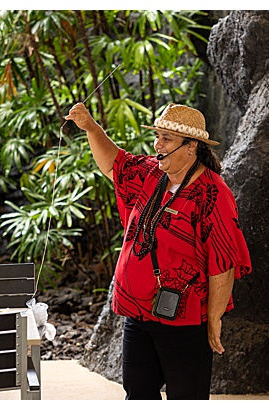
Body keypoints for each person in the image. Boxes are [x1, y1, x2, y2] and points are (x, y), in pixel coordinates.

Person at [66, 102, 252, 399]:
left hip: (183, 319)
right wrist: (90, 127)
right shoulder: (151, 173)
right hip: (137, 315)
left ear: (191, 146)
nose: (158, 144)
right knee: (138, 394)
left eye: (166, 138)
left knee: (186, 397)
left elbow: (223, 261)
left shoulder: (213, 193)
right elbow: (115, 165)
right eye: (158, 136)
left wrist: (214, 318)